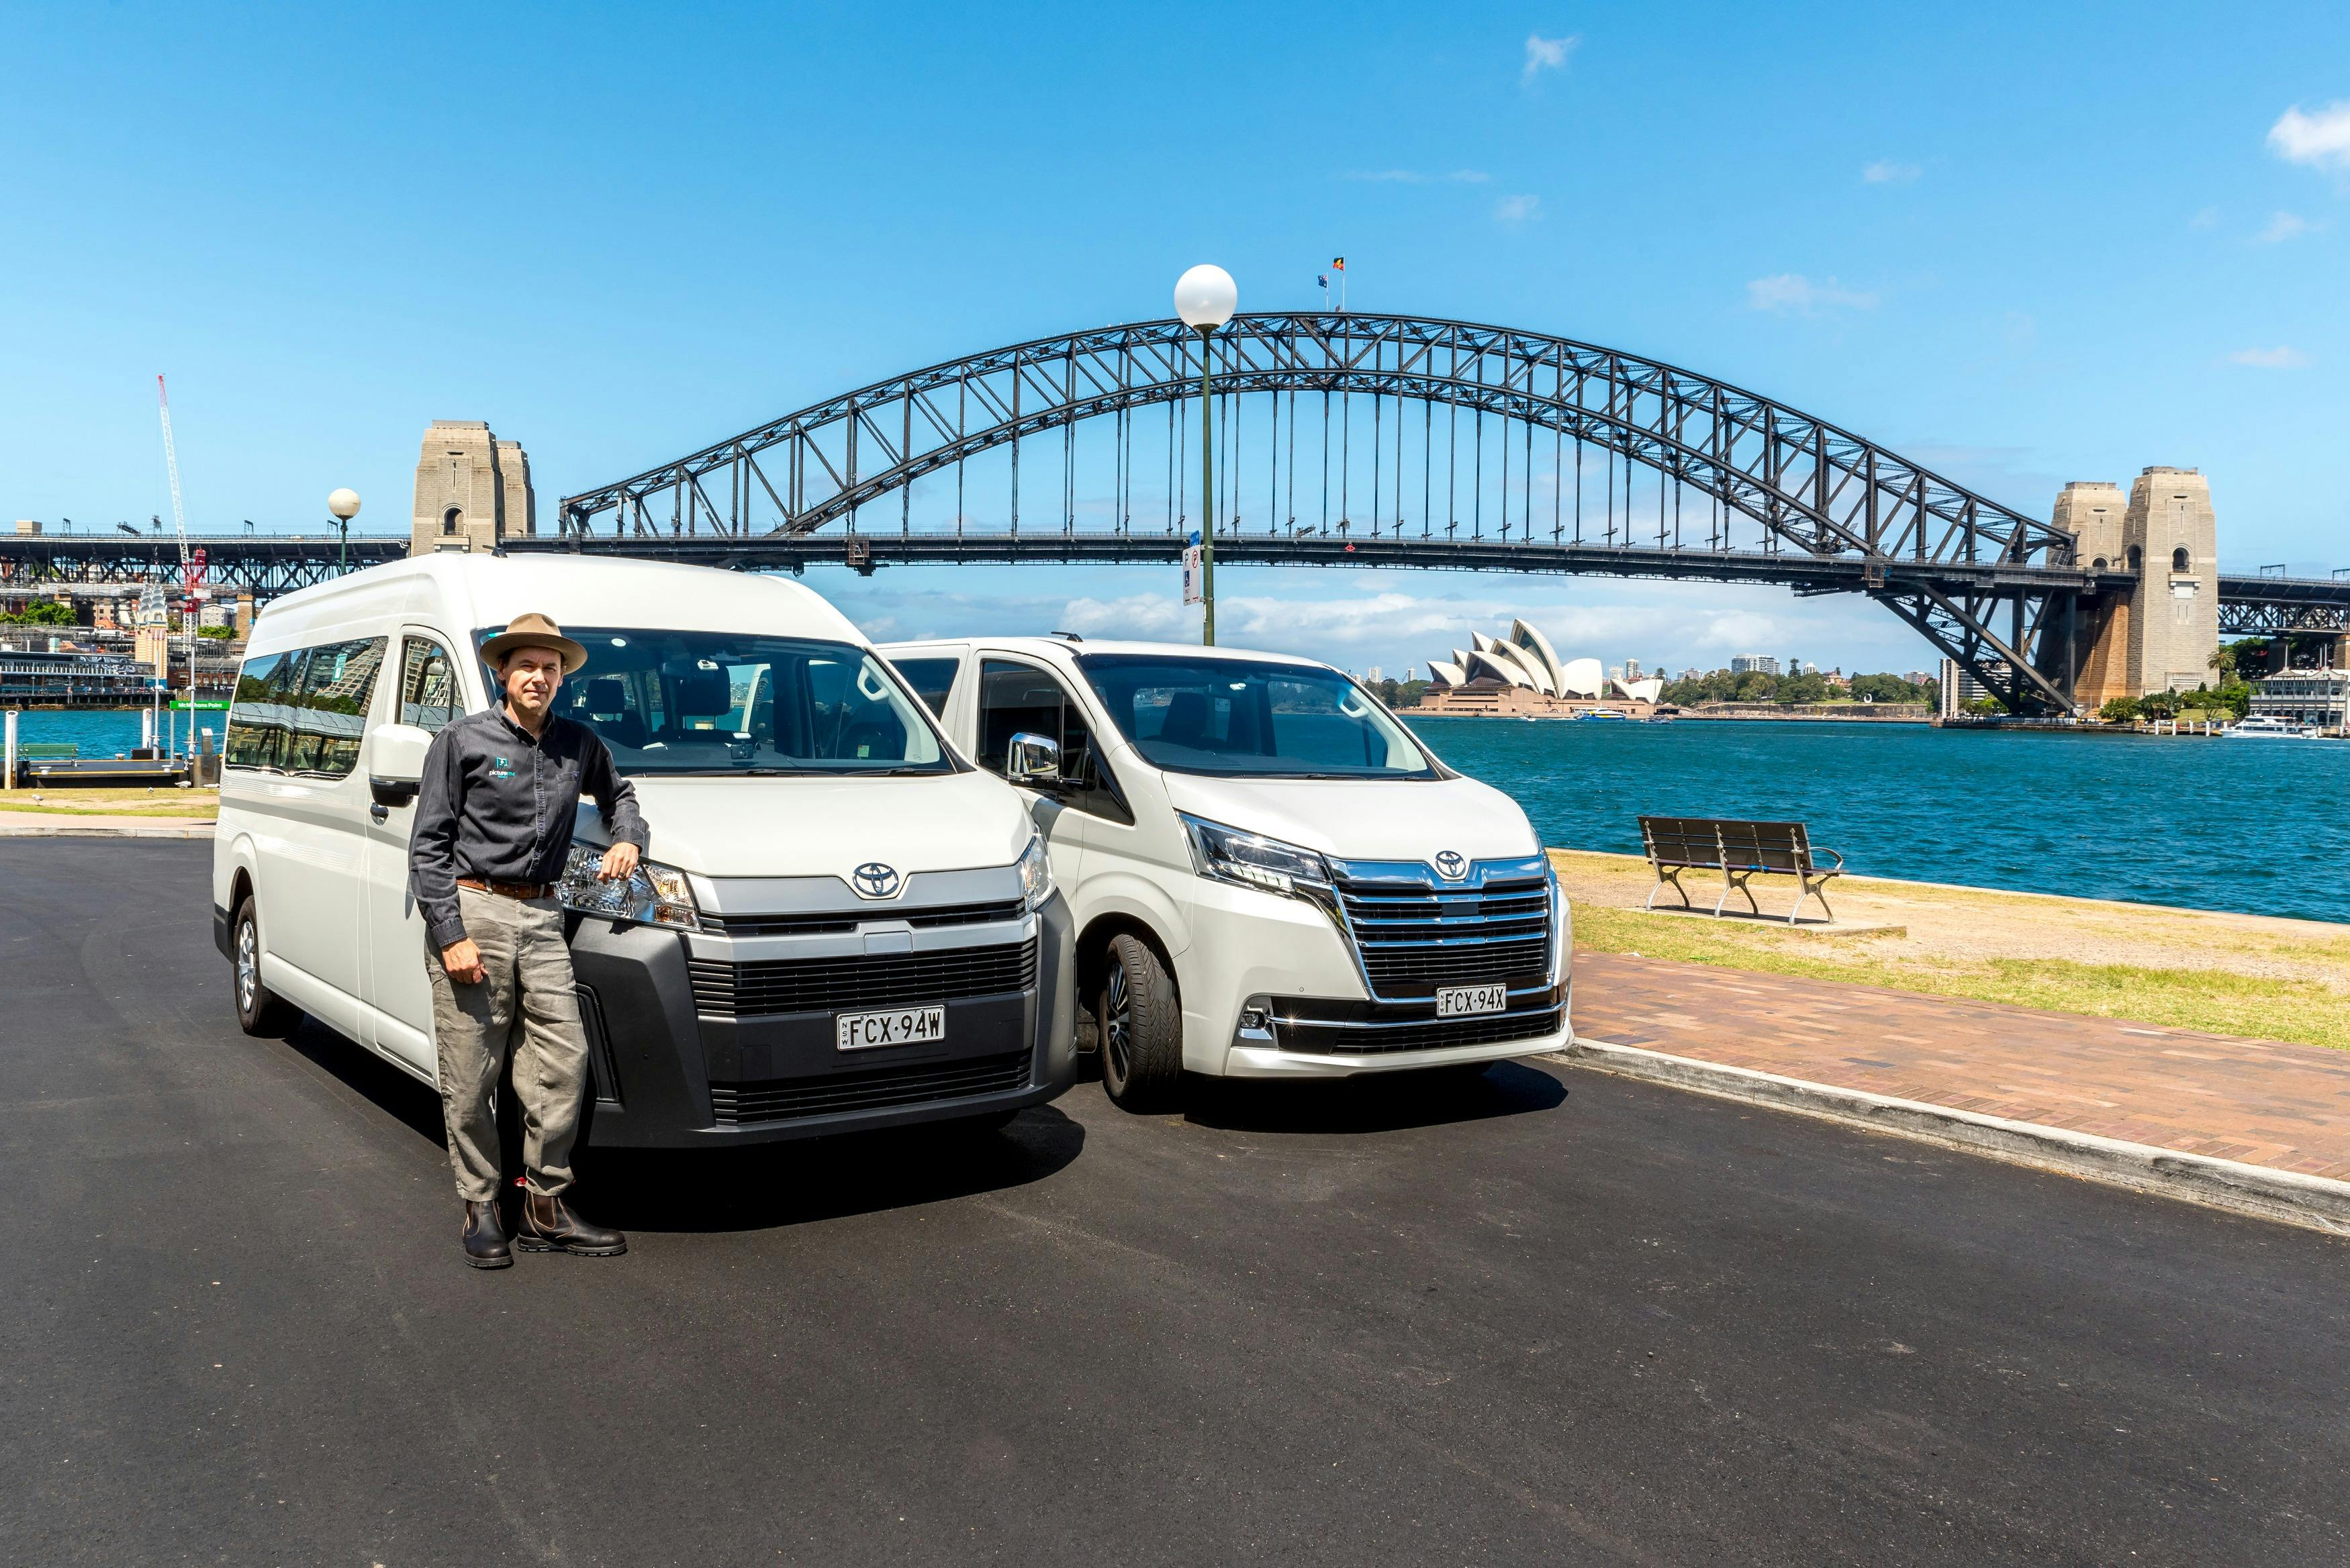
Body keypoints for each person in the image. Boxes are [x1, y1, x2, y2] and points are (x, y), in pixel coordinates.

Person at [409, 611, 649, 1269]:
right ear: (502, 672)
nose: (539, 677)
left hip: (543, 918)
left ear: (561, 676)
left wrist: (627, 834)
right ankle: (481, 1205)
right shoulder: (461, 741)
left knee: (563, 1062)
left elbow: (620, 794)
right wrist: (449, 931)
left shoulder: (580, 744)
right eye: (527, 666)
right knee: (471, 1071)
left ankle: (546, 1204)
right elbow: (427, 844)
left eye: (550, 667)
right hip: (475, 911)